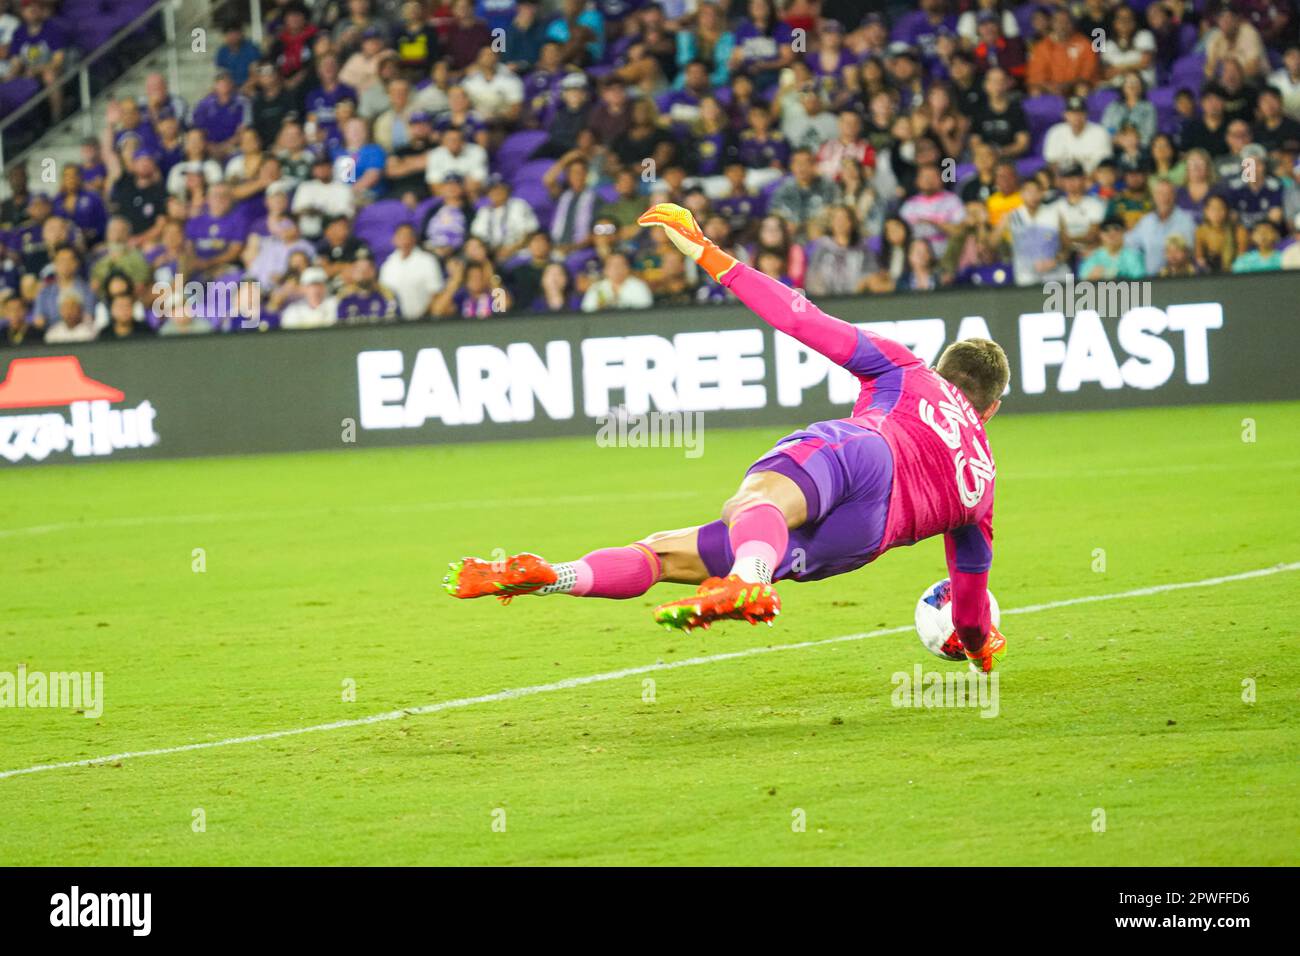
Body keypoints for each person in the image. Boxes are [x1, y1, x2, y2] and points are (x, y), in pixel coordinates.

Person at [445, 203, 1010, 674]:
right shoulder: (981, 483)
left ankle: (746, 581)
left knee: (753, 502)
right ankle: (553, 576)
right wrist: (978, 645)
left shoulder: (911, 372)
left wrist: (706, 253)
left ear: (943, 367)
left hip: (865, 454)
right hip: (860, 540)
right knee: (667, 552)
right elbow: (968, 600)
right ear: (991, 409)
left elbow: (799, 318)